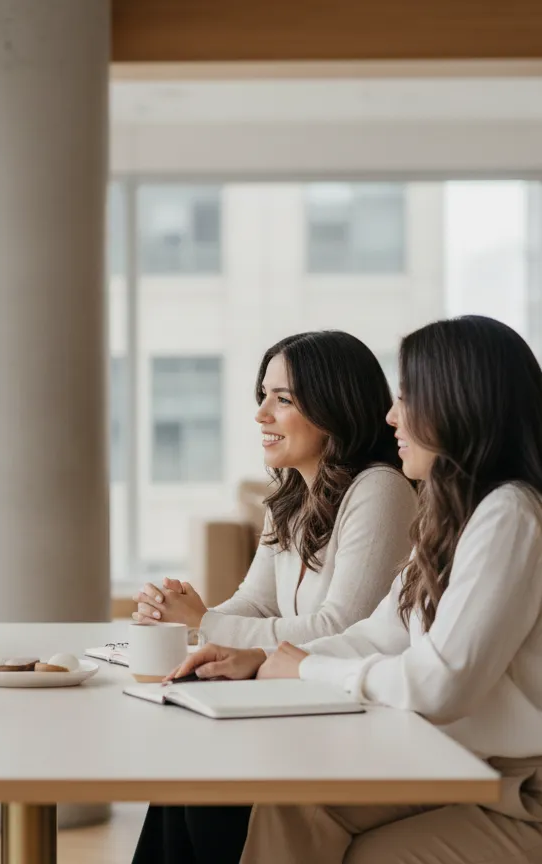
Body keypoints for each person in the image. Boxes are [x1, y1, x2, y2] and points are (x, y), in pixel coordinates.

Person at [167, 316, 542, 864]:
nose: (391, 416)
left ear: (457, 403)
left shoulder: (512, 515)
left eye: (406, 397)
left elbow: (440, 684)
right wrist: (264, 658)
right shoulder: (455, 517)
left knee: (363, 853)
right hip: (477, 766)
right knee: (291, 805)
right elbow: (378, 633)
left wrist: (303, 667)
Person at [133, 331, 418, 864]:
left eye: (282, 399)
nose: (261, 413)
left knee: (206, 790)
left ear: (337, 405)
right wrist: (186, 618)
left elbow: (341, 626)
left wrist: (207, 624)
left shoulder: (379, 489)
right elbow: (255, 602)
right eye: (263, 395)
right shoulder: (290, 495)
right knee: (182, 766)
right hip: (295, 703)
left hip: (348, 713)